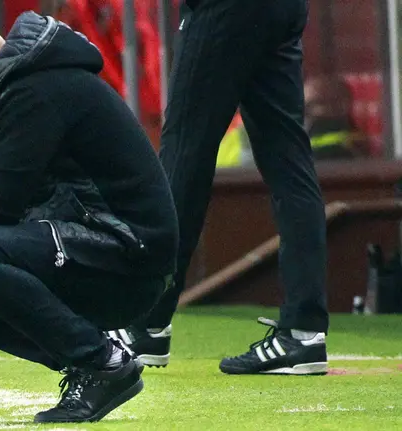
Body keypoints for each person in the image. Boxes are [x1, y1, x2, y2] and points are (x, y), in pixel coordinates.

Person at [0, 8, 179, 423]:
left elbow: (3, 200)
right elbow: (23, 198)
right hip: (92, 244)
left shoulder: (35, 89)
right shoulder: (21, 86)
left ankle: (103, 362)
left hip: (130, 259)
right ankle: (85, 359)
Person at [111, 0, 329, 375]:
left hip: (223, 9)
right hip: (284, 9)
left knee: (184, 154)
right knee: (289, 159)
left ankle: (147, 321)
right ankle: (304, 332)